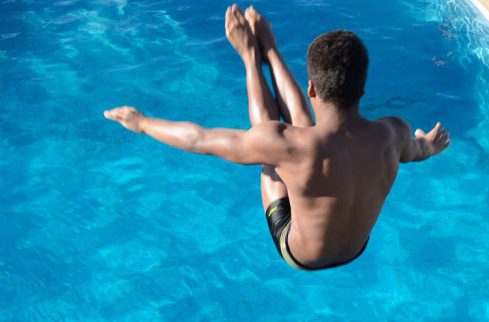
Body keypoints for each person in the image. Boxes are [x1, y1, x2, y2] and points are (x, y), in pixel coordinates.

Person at [104, 4, 451, 271]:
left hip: (300, 255)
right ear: (362, 89)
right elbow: (418, 150)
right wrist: (431, 145)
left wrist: (143, 123)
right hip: (356, 248)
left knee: (274, 150)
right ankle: (269, 50)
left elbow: (201, 140)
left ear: (311, 88)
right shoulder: (393, 132)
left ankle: (253, 57)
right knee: (299, 137)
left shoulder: (294, 147)